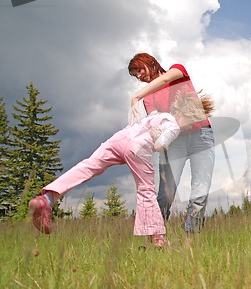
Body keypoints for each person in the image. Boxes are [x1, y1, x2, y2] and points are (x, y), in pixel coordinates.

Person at [29, 90, 213, 247]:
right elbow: (159, 146)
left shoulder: (156, 115)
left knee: (89, 166)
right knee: (146, 189)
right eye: (191, 122)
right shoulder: (173, 126)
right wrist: (161, 142)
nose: (189, 127)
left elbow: (139, 121)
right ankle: (158, 238)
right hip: (138, 148)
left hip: (119, 138)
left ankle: (48, 198)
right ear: (185, 115)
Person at [128, 53, 215, 233]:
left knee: (200, 191)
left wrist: (135, 97)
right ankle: (156, 236)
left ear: (150, 63)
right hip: (175, 143)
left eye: (139, 70)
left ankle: (192, 234)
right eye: (134, 74)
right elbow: (155, 122)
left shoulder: (177, 71)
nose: (138, 76)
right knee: (165, 195)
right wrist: (154, 133)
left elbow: (165, 78)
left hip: (201, 135)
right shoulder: (148, 99)